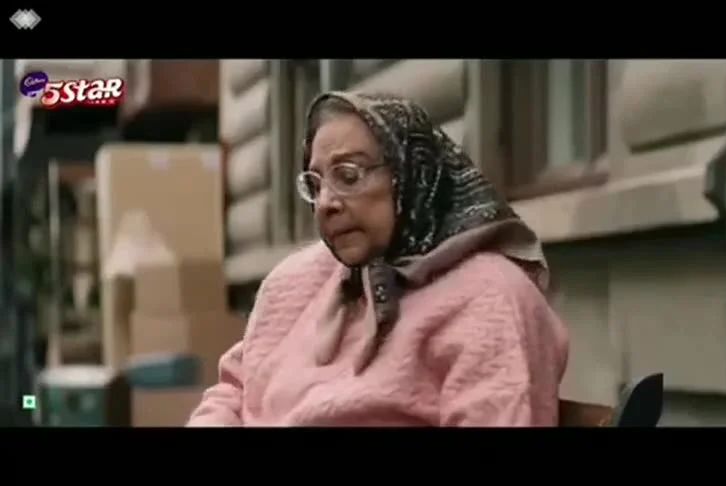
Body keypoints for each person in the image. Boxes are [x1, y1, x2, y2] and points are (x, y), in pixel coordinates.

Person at [187, 91, 569, 427]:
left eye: (349, 175)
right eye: (315, 184)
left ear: (413, 173)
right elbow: (235, 389)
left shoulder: (491, 297)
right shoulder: (294, 281)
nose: (326, 203)